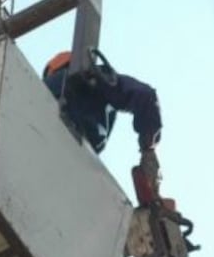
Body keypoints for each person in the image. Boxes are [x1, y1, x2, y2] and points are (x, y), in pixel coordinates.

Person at [42, 50, 163, 204]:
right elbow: (145, 96)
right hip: (73, 154)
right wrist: (148, 149)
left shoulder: (35, 91)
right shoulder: (90, 77)